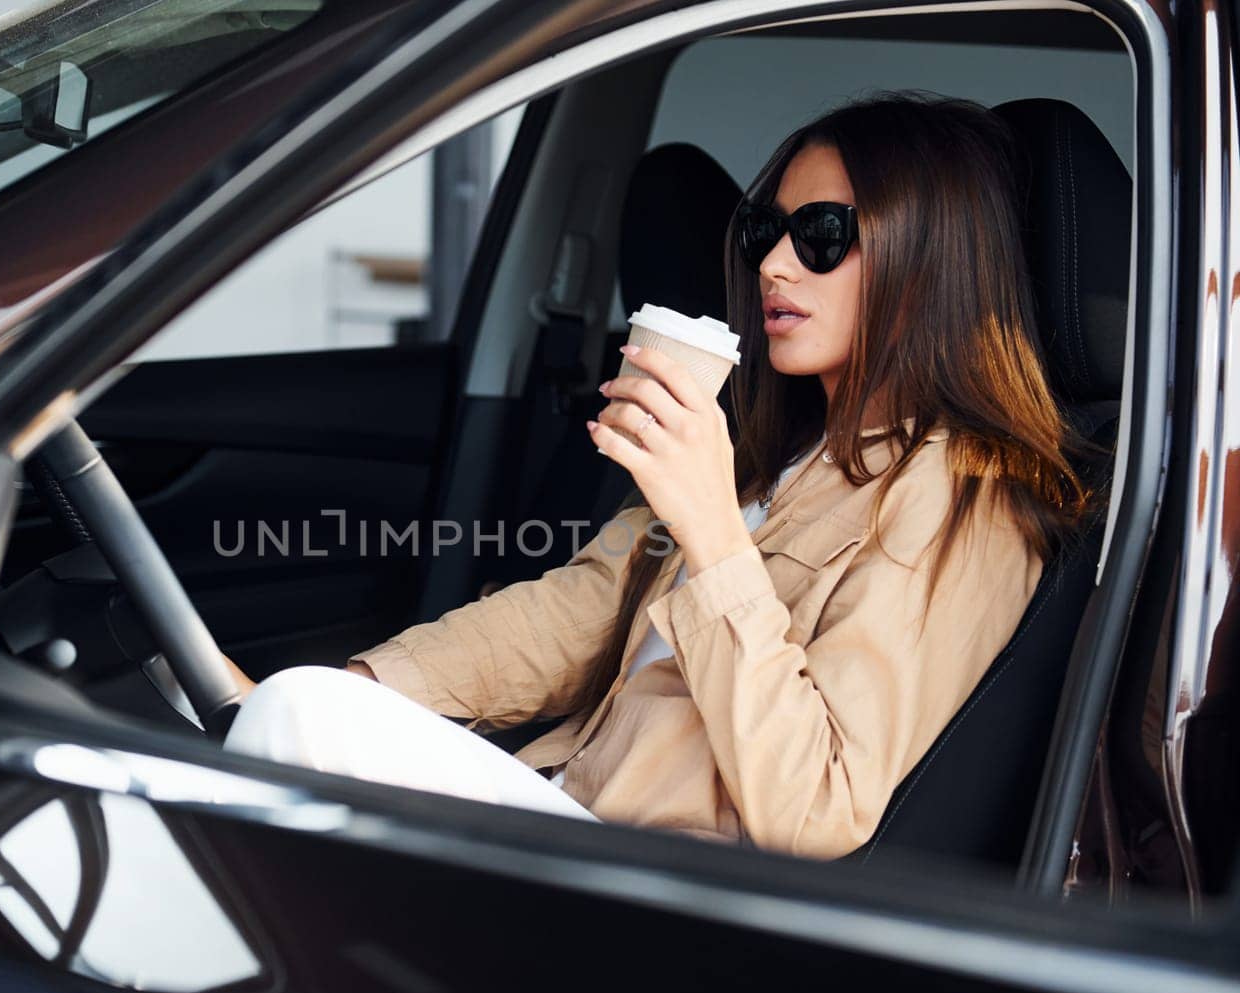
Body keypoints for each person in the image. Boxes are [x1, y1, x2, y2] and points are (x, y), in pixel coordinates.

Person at [219, 91, 1091, 860]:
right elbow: (572, 615)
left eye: (821, 236)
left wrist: (716, 534)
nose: (774, 265)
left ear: (930, 261)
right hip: (568, 806)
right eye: (764, 232)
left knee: (296, 728)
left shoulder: (966, 497)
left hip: (668, 895)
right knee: (301, 711)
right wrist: (361, 686)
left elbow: (818, 807)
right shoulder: (772, 450)